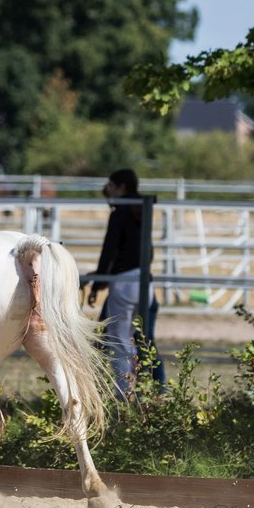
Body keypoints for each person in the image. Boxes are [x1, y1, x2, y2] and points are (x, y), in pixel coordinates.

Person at [85, 168, 159, 396]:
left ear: (121, 187)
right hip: (144, 281)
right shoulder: (142, 210)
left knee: (118, 339)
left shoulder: (120, 213)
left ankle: (123, 391)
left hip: (124, 282)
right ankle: (155, 388)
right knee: (144, 340)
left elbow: (110, 250)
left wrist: (98, 282)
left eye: (112, 186)